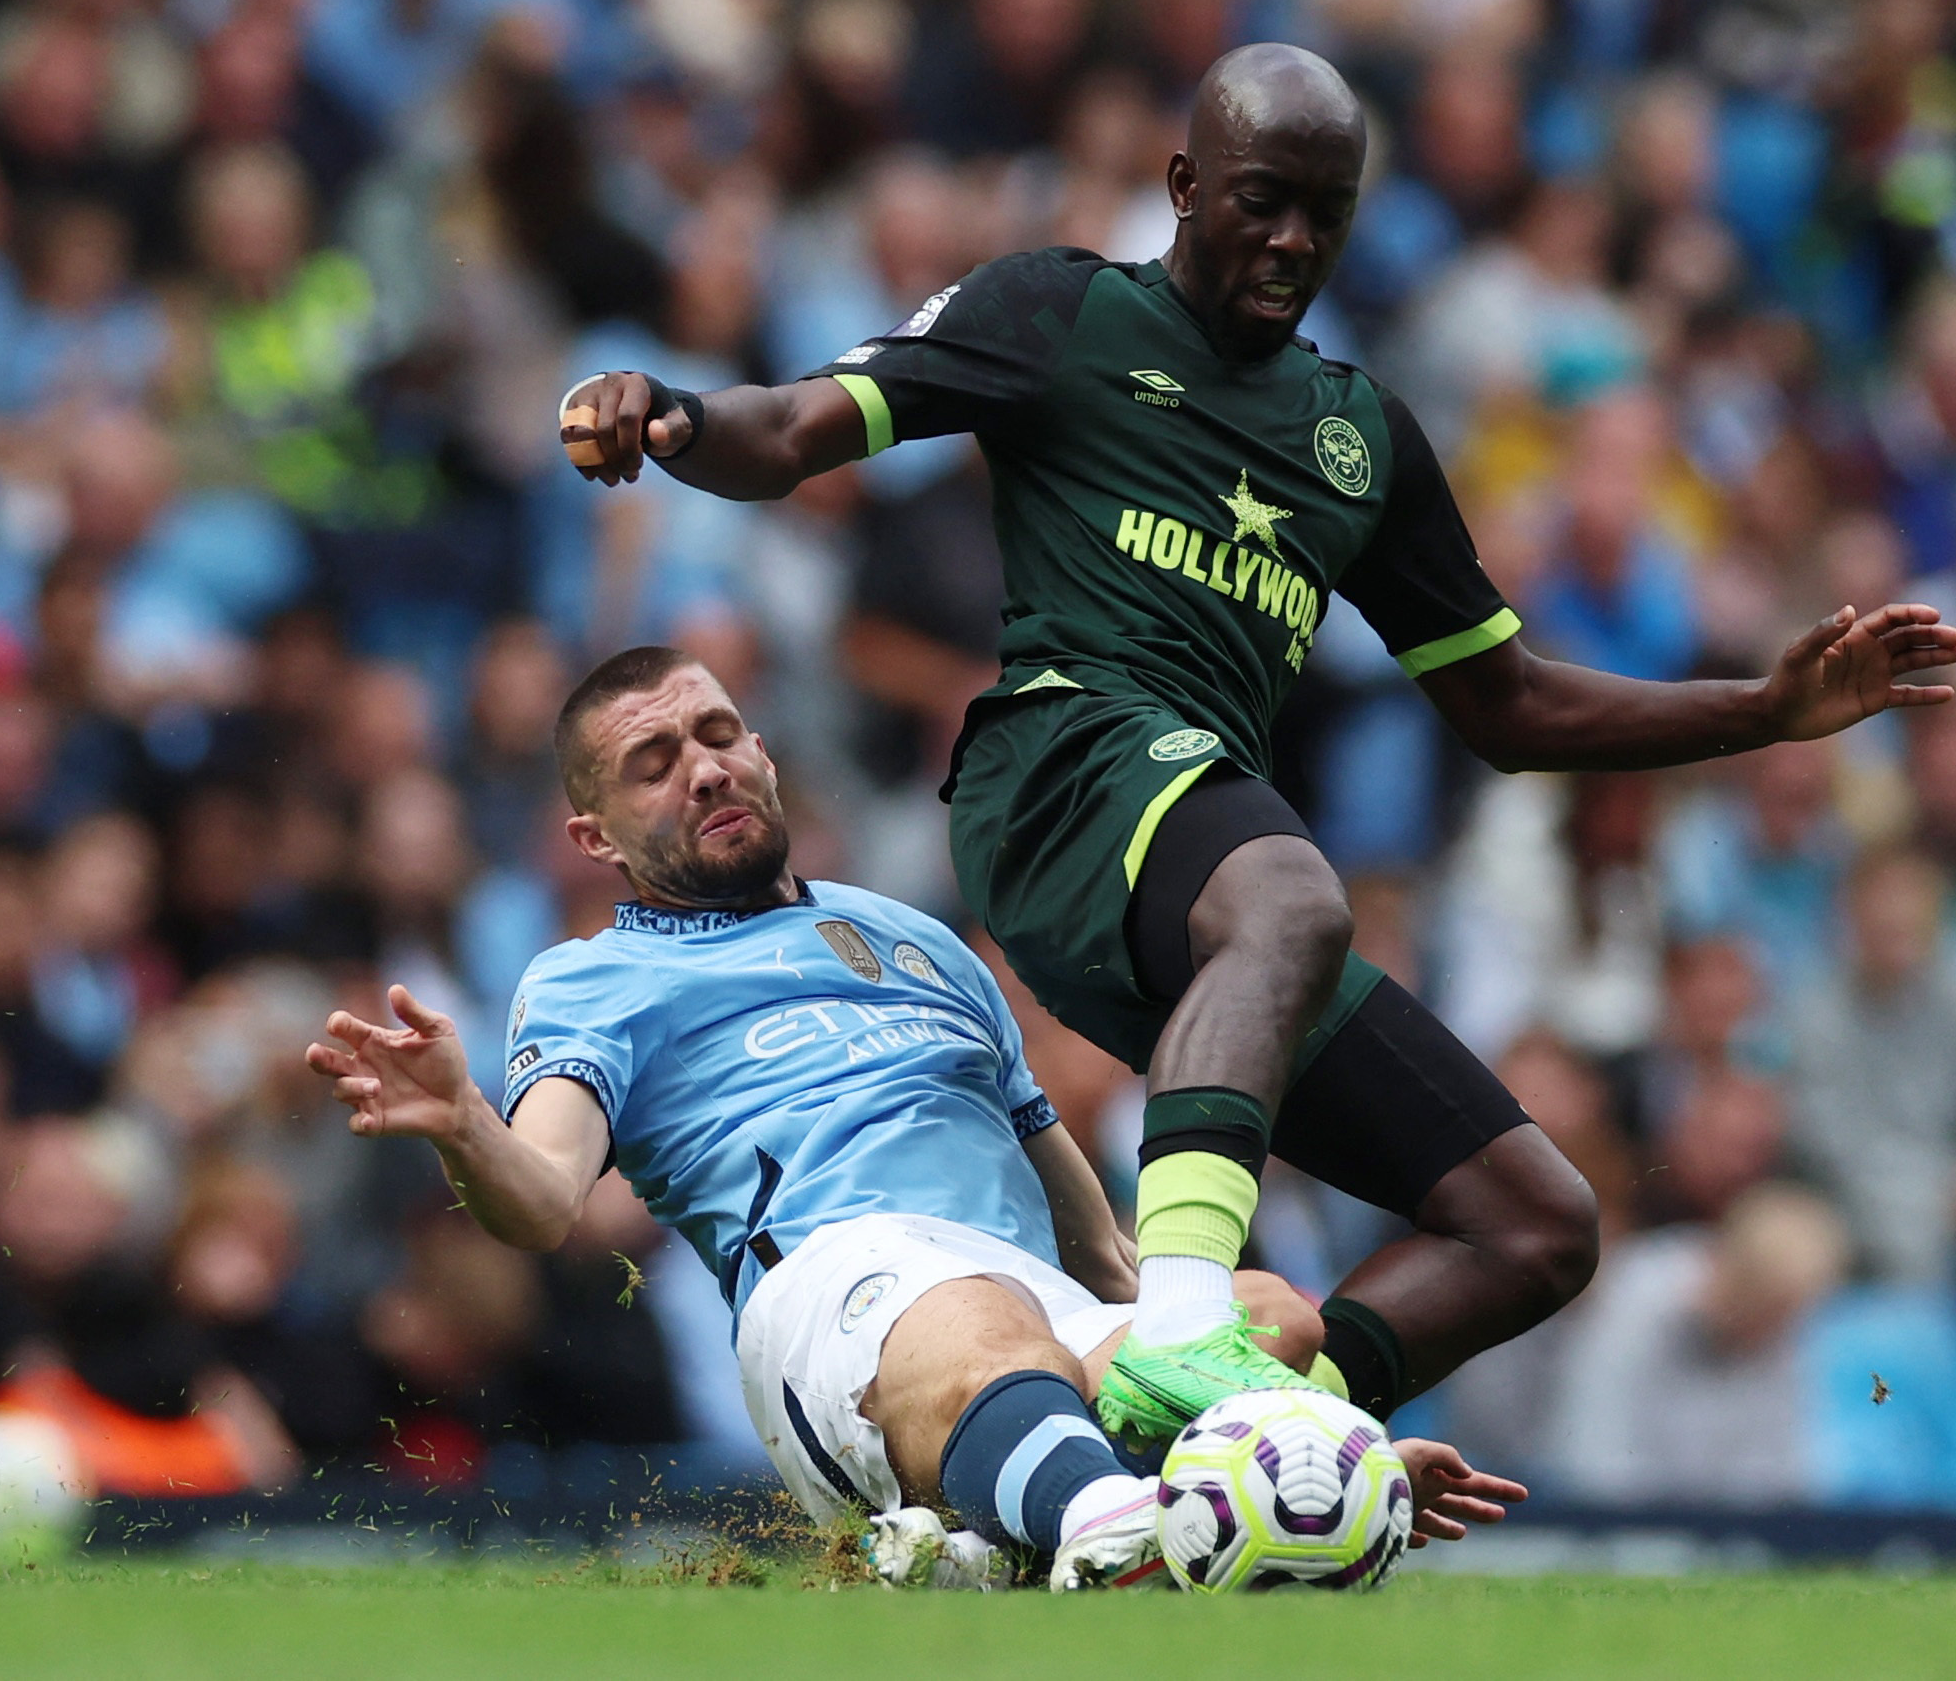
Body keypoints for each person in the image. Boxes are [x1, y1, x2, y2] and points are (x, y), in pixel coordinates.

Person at [556, 42, 1956, 1442]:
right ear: (1181, 184)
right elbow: (799, 423)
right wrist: (675, 417)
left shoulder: (1360, 440)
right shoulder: (1059, 314)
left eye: (1324, 212)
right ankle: (1180, 1327)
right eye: (1259, 200)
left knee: (1533, 1224)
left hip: (1202, 883)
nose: (1292, 240)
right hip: (1058, 777)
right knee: (1294, 892)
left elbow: (1512, 710)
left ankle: (1244, 1442)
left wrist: (1763, 711)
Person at [305, 648, 1523, 1587]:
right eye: (655, 760)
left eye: (720, 733)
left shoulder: (917, 942)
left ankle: (1007, 1541)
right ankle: (1105, 1524)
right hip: (835, 1290)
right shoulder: (588, 979)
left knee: (1265, 1311)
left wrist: (1312, 1456)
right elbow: (543, 1201)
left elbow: (1094, 1243)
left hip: (1024, 1306)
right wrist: (467, 1121)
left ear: (766, 752)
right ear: (593, 834)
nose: (705, 766)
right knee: (982, 1320)